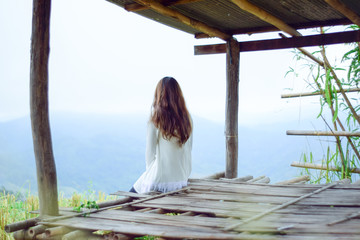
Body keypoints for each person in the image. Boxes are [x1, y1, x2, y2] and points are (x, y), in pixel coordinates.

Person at [130, 77, 193, 194]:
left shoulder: (156, 116)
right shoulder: (187, 118)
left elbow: (150, 153)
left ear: (159, 94)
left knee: (130, 194)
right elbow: (189, 150)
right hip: (181, 179)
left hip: (160, 180)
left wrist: (149, 174)